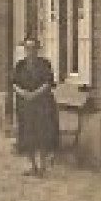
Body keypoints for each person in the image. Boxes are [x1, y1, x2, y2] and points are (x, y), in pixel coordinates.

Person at [11, 36, 59, 177]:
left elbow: (48, 82)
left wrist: (35, 94)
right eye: (27, 48)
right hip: (25, 105)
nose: (30, 51)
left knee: (42, 134)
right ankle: (33, 166)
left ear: (38, 49)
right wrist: (23, 93)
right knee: (27, 134)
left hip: (42, 104)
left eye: (33, 48)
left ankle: (43, 166)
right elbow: (14, 83)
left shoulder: (44, 64)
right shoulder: (20, 65)